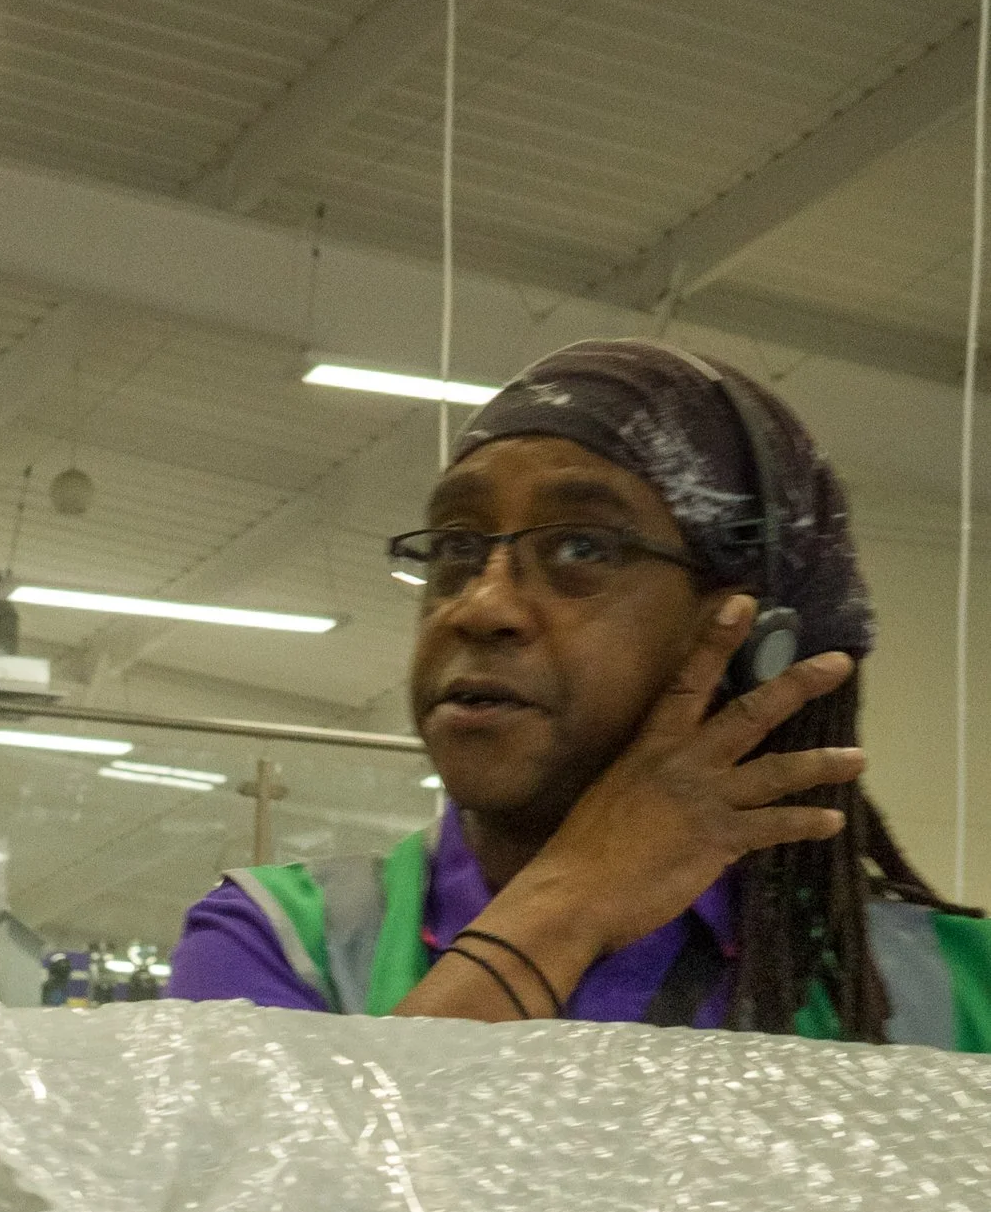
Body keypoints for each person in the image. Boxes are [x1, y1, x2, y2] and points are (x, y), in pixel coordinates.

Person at [170, 336, 991, 1039]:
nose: (482, 604)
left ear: (751, 635)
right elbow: (289, 1211)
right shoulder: (283, 941)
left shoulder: (949, 998)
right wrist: (570, 905)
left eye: (583, 550)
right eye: (457, 545)